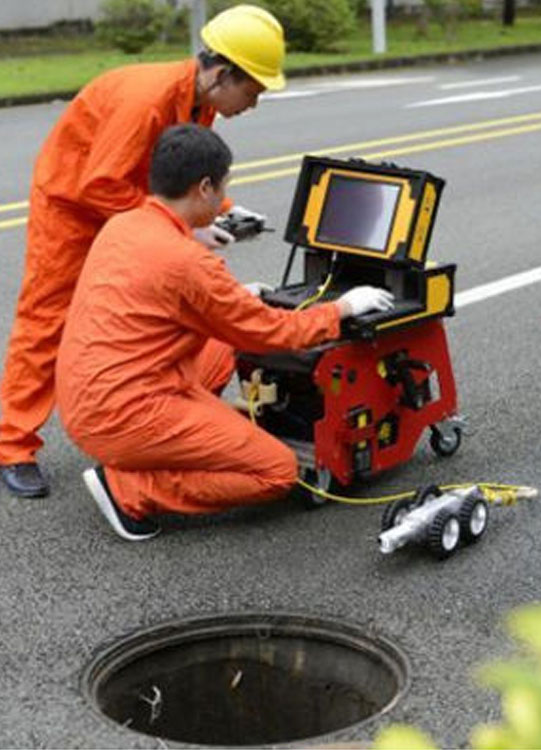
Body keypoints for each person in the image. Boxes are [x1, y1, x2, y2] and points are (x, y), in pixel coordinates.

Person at [55, 123, 393, 541]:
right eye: (222, 188)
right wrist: (342, 309)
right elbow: (269, 333)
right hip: (123, 415)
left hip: (85, 396)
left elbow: (167, 296)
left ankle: (186, 442)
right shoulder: (188, 263)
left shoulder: (123, 226)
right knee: (278, 470)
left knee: (220, 343)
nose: (222, 198)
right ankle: (130, 489)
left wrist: (198, 244)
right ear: (203, 188)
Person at [0, 5, 284, 499]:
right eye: (252, 91)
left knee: (152, 314)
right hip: (73, 208)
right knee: (47, 321)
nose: (253, 104)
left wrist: (226, 209)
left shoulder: (200, 100)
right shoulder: (147, 97)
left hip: (126, 205)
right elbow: (100, 183)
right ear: (221, 74)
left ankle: (152, 418)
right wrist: (181, 230)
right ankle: (12, 447)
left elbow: (186, 171)